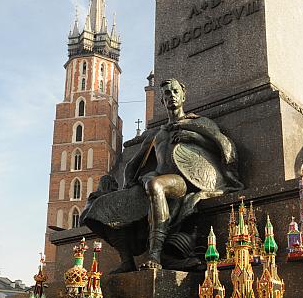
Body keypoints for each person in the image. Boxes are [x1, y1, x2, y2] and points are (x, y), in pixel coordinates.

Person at [82, 78, 242, 270]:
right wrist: (129, 185)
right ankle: (126, 261)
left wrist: (194, 136)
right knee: (100, 207)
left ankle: (155, 254)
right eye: (167, 94)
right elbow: (132, 164)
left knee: (155, 185)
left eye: (175, 92)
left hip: (182, 182)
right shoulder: (156, 134)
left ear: (183, 95)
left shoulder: (199, 123)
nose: (172, 96)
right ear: (162, 101)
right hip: (157, 179)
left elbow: (224, 147)